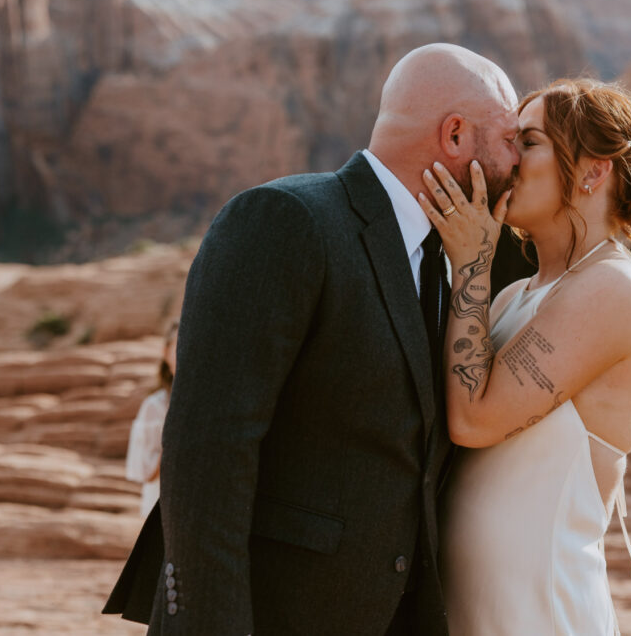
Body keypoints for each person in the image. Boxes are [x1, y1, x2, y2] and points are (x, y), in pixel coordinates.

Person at [103, 43, 521, 635]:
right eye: (510, 139)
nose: (520, 158)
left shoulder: (464, 256)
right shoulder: (286, 219)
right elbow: (208, 450)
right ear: (455, 136)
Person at [419, 78, 631, 635]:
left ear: (594, 171)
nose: (507, 158)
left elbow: (474, 419)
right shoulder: (512, 297)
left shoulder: (615, 288)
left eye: (528, 142)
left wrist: (471, 262)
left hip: (542, 613)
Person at [125, 319, 179, 517]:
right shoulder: (154, 406)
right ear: (166, 352)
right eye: (179, 345)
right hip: (161, 507)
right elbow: (146, 473)